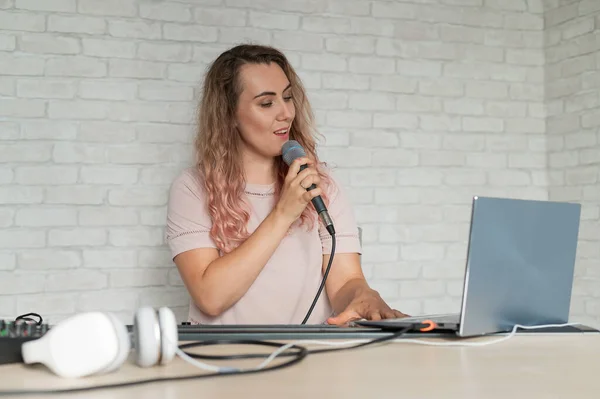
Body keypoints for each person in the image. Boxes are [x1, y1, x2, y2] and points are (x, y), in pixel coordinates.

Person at [165, 44, 407, 326]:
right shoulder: (193, 189)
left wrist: (364, 296)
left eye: (288, 97)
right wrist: (283, 213)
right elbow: (210, 297)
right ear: (229, 114)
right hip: (225, 359)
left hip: (309, 358)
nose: (286, 113)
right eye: (266, 103)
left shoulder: (320, 184)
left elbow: (345, 281)